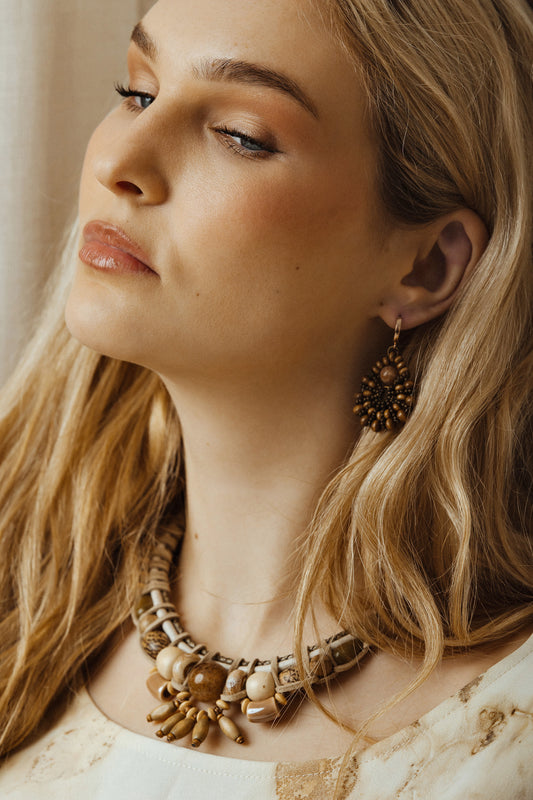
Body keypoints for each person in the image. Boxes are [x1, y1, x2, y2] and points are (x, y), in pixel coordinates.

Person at [0, 0, 532, 797]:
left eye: (241, 135)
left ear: (425, 268)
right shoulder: (20, 586)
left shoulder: (503, 745)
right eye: (138, 91)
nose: (123, 160)